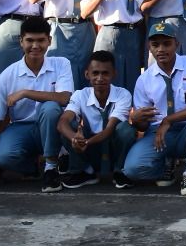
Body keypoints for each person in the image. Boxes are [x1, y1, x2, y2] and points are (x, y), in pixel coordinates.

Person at [0, 17, 76, 191]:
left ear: (49, 41)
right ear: (21, 42)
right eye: (30, 40)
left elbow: (63, 98)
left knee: (50, 108)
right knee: (3, 158)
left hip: (55, 127)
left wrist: (25, 93)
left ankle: (51, 168)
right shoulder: (8, 74)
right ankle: (32, 166)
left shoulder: (61, 64)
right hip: (22, 128)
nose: (35, 46)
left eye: (41, 40)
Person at [120, 19, 186, 189]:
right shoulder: (144, 79)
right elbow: (143, 126)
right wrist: (136, 119)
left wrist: (169, 120)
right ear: (149, 47)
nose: (161, 49)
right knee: (132, 169)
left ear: (177, 44)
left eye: (166, 44)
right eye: (155, 45)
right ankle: (165, 166)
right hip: (159, 135)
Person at [56, 51, 137, 188]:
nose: (100, 78)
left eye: (105, 73)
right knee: (70, 126)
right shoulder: (80, 95)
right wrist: (75, 139)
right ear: (87, 74)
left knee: (125, 130)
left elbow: (110, 129)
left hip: (111, 145)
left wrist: (86, 141)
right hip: (90, 148)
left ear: (114, 74)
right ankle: (84, 171)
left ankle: (119, 170)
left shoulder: (123, 94)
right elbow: (62, 122)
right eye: (95, 73)